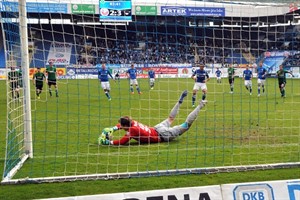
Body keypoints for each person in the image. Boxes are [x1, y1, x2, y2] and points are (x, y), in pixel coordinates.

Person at [98, 90, 207, 145]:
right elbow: (123, 127)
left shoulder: (132, 130)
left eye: (122, 126)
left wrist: (109, 143)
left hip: (162, 135)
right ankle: (179, 101)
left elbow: (122, 141)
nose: (122, 127)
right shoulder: (132, 122)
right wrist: (114, 128)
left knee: (186, 125)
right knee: (170, 119)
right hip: (156, 128)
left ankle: (200, 105)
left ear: (126, 125)